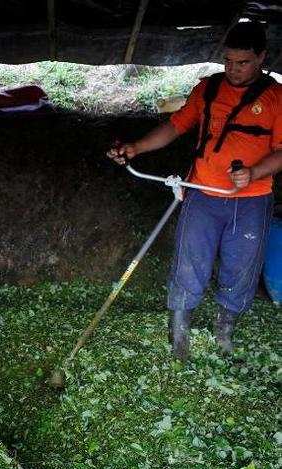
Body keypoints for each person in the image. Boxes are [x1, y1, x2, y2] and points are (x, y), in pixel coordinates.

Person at [107, 21, 281, 361]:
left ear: (261, 57)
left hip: (251, 201)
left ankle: (225, 331)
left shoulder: (277, 99)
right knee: (190, 263)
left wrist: (254, 172)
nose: (233, 69)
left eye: (243, 62)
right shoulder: (208, 90)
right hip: (201, 193)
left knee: (241, 267)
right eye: (228, 61)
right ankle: (180, 337)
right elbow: (175, 126)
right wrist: (136, 148)